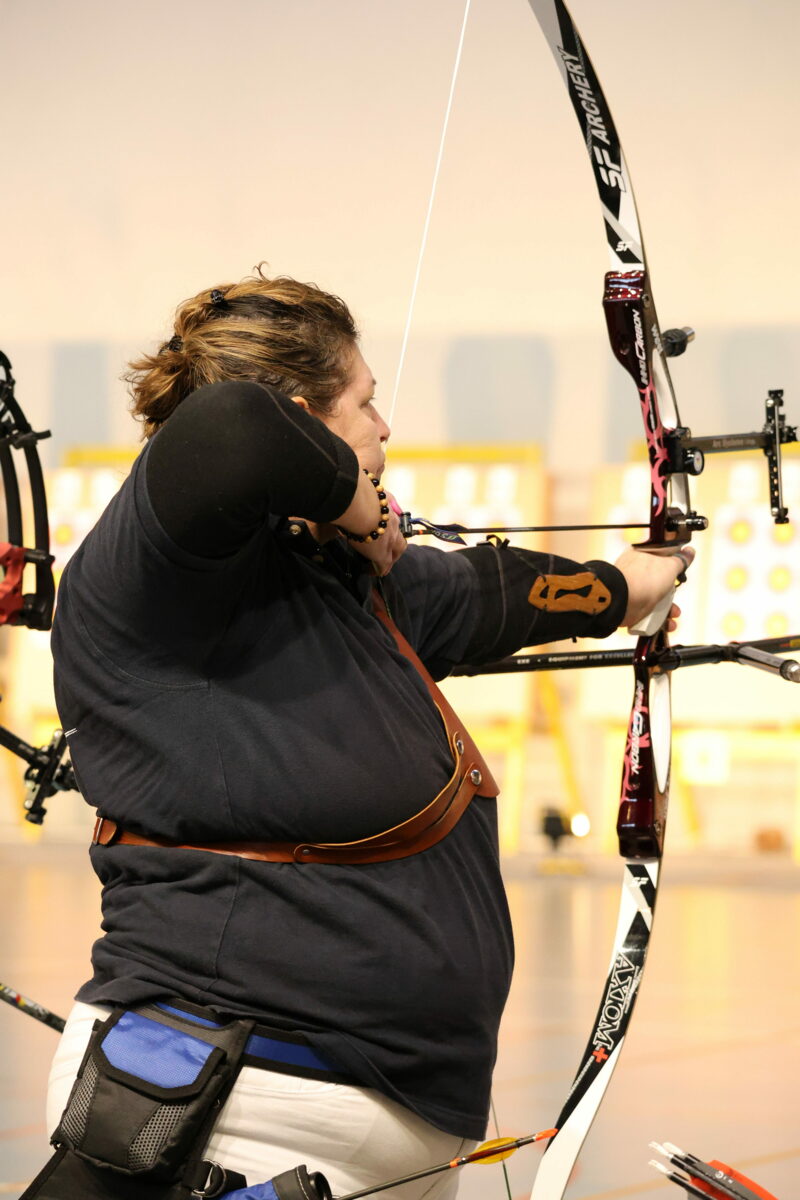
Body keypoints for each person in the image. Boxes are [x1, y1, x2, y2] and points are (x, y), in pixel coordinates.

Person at [42, 267, 690, 1200]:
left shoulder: (333, 582)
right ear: (305, 417)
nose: (384, 427)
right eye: (365, 402)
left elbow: (484, 593)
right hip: (222, 1098)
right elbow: (231, 429)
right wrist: (357, 500)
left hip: (392, 1123)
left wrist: (626, 585)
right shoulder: (153, 568)